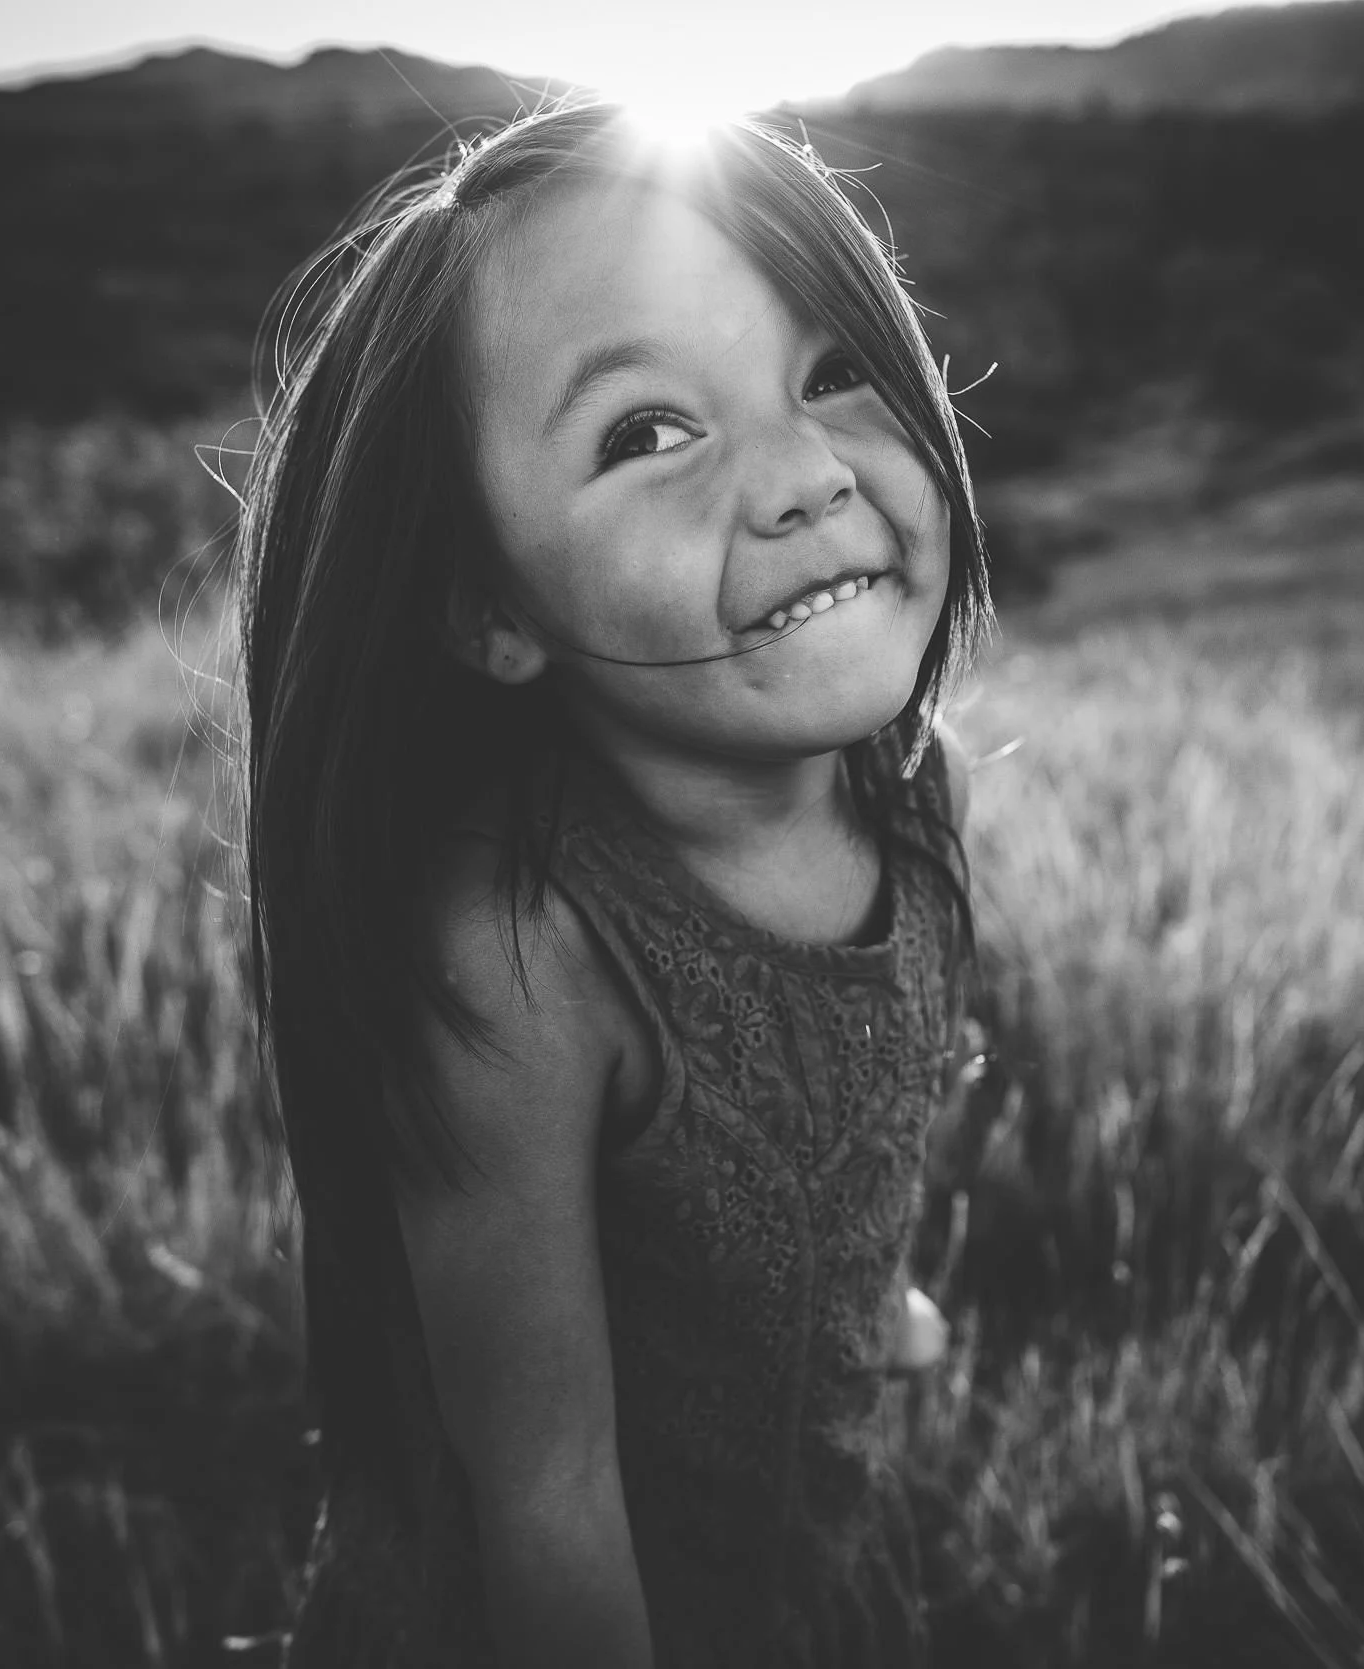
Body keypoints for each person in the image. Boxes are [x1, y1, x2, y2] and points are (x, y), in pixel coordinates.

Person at [232, 99, 992, 1668]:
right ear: (485, 604)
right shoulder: (525, 954)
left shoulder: (913, 800)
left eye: (834, 367)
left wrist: (866, 1306)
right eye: (650, 432)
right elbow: (546, 1494)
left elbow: (853, 1120)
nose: (800, 477)